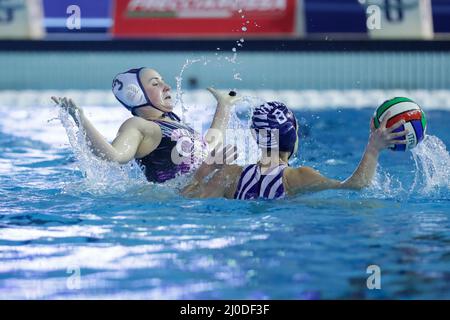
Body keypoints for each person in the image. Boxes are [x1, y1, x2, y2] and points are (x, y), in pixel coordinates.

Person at [182, 101, 409, 199]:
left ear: (255, 136)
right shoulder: (297, 177)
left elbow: (187, 200)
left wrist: (206, 168)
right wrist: (373, 148)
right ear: (292, 136)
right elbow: (355, 187)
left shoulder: (230, 174)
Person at [52, 67, 239, 183]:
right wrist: (82, 120)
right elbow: (115, 156)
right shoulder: (139, 126)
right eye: (156, 83)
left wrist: (224, 106)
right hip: (179, 203)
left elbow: (210, 147)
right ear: (136, 94)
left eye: (163, 82)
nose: (167, 87)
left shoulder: (175, 124)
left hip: (198, 194)